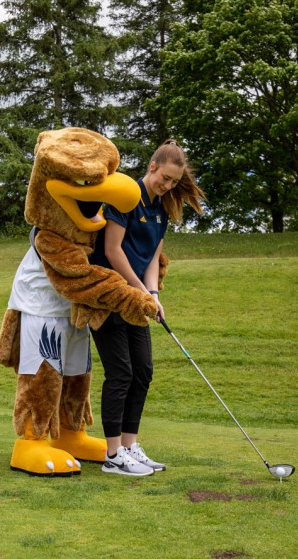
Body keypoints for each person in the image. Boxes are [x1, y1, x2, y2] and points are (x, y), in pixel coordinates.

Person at [90, 139, 206, 476]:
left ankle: (129, 446)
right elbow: (113, 250)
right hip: (110, 294)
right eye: (165, 177)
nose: (167, 185)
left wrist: (152, 293)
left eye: (174, 181)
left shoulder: (161, 208)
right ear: (152, 167)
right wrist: (141, 291)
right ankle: (112, 456)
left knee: (143, 371)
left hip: (137, 297)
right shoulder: (126, 196)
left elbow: (153, 256)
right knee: (121, 372)